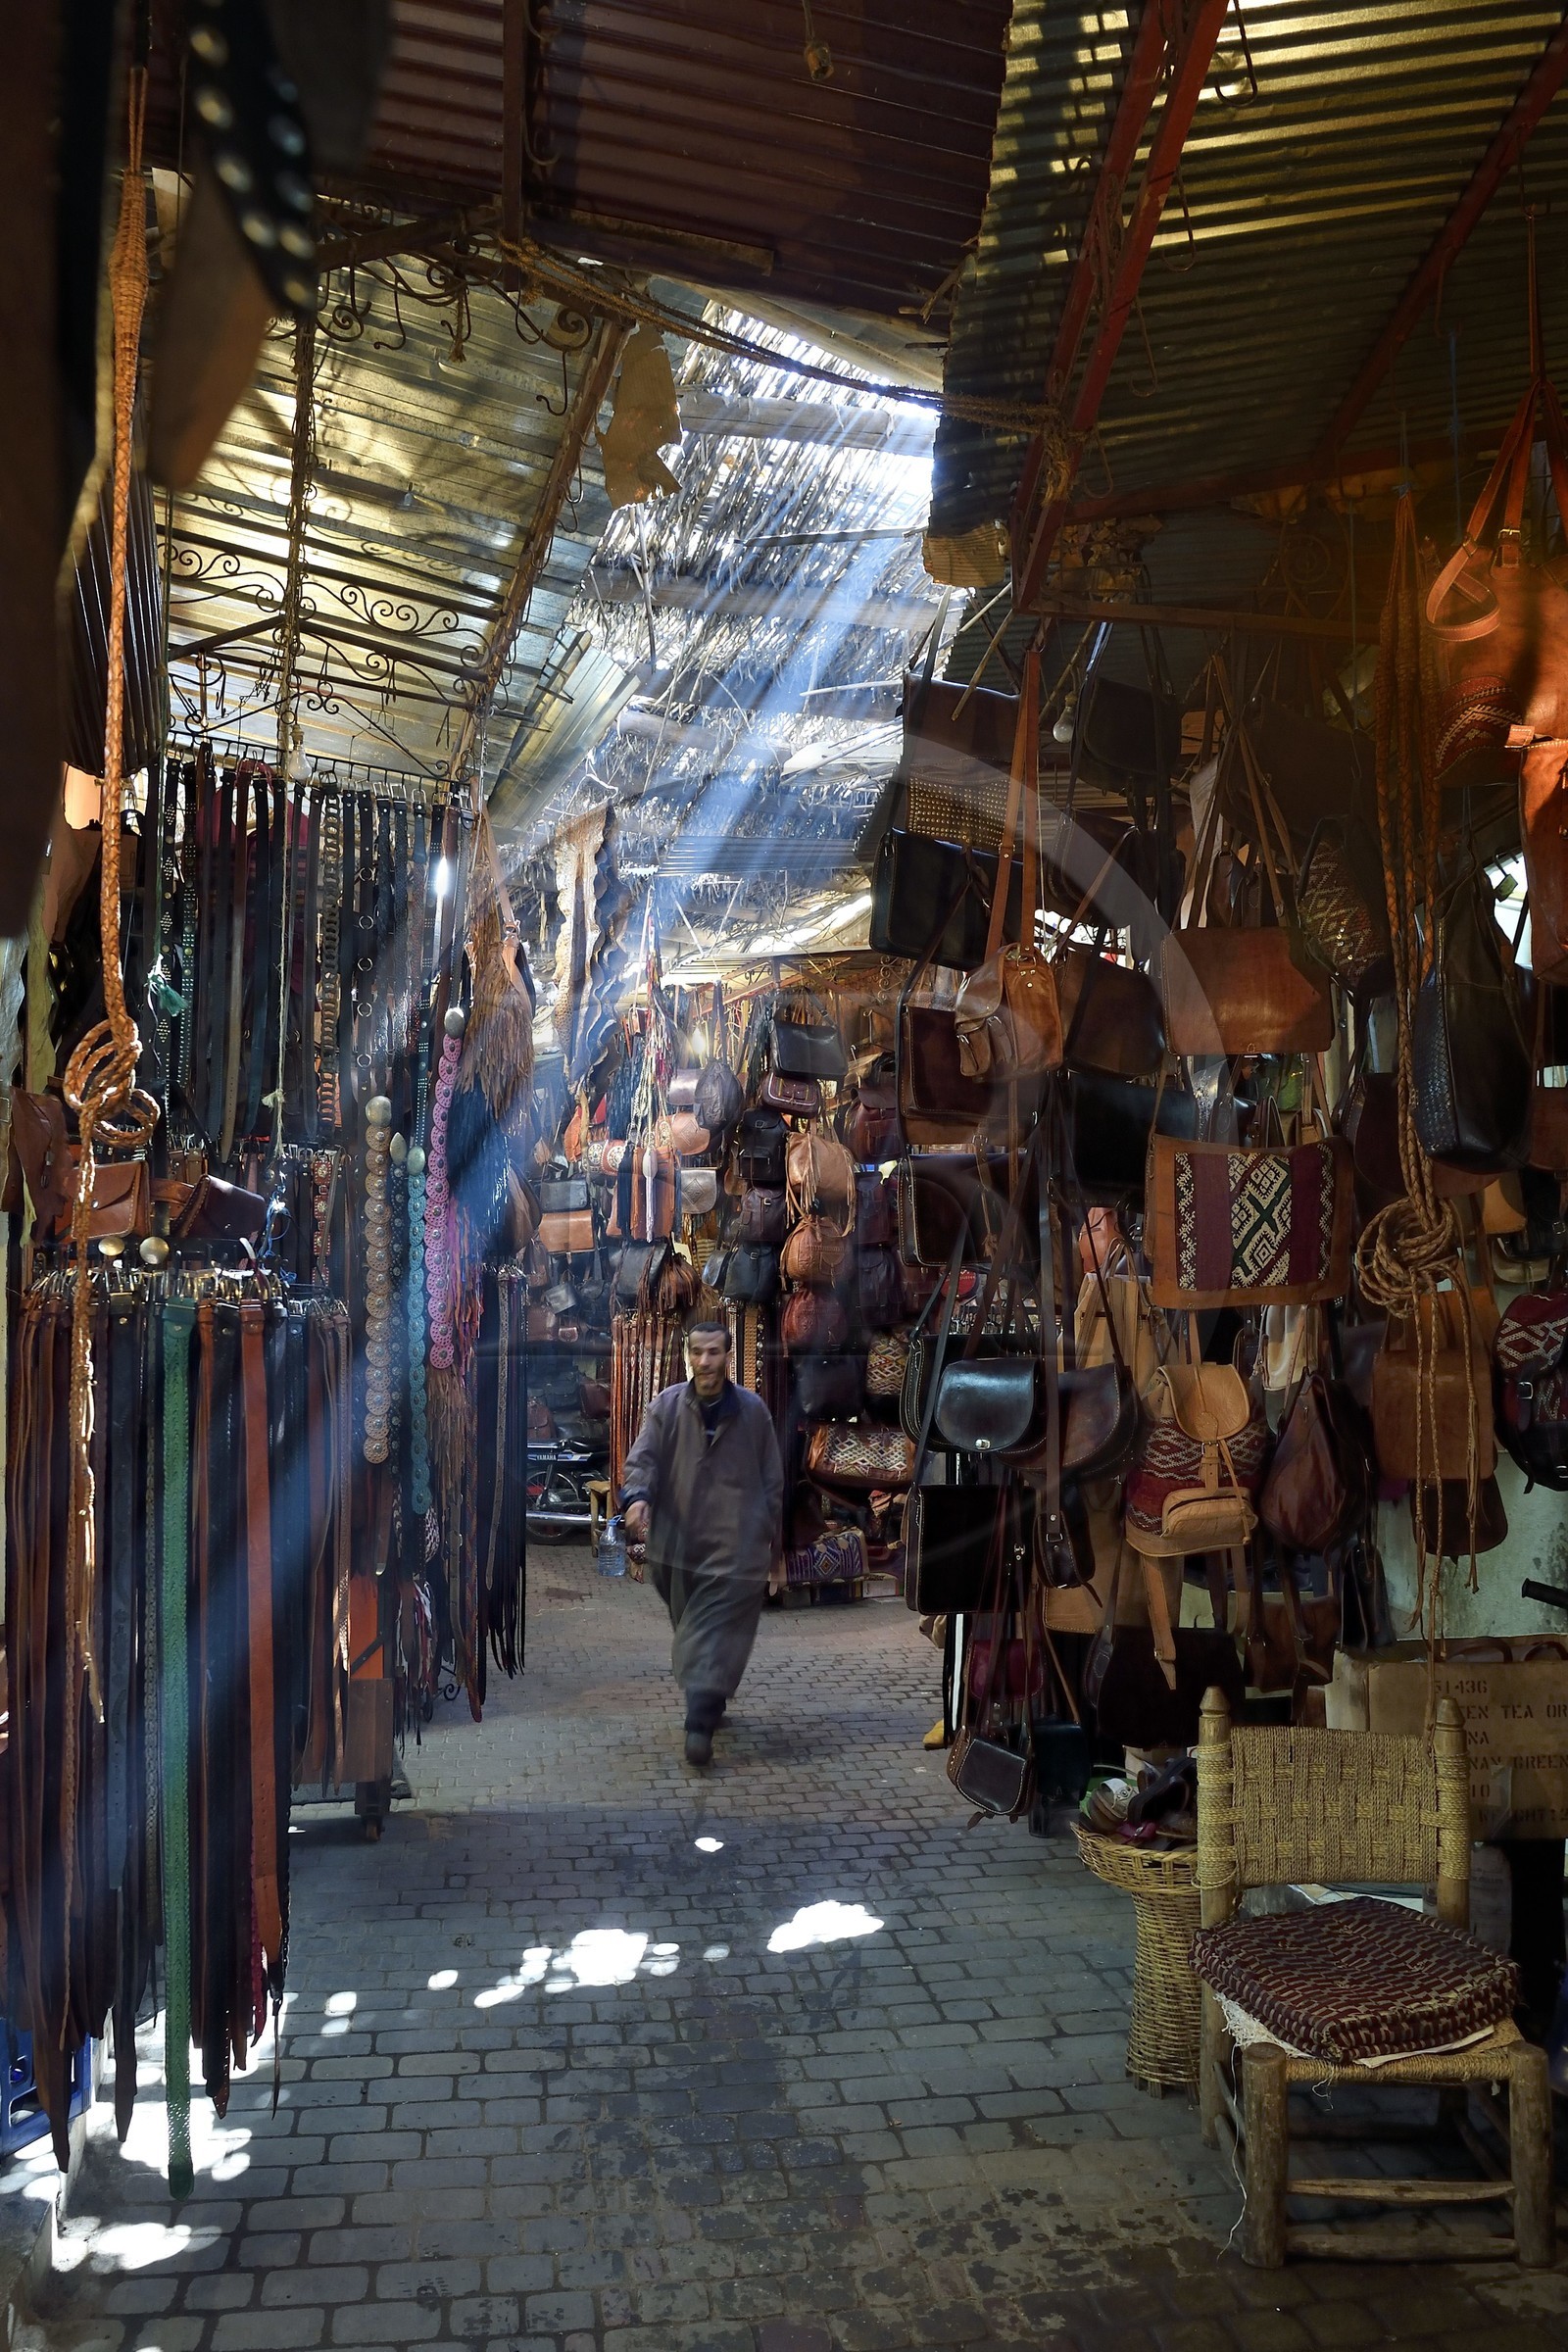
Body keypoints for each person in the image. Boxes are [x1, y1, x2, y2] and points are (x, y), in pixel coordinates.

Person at [618, 1319, 784, 1767]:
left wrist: (776, 1548)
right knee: (692, 1627)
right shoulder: (667, 1407)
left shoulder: (752, 1412)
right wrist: (636, 1500)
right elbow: (644, 1460)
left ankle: (699, 1722)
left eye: (714, 1352)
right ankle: (710, 1698)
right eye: (698, 1352)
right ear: (688, 1356)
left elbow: (772, 1483)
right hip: (677, 1550)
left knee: (710, 1632)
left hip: (736, 1547)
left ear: (728, 1356)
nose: (705, 1362)